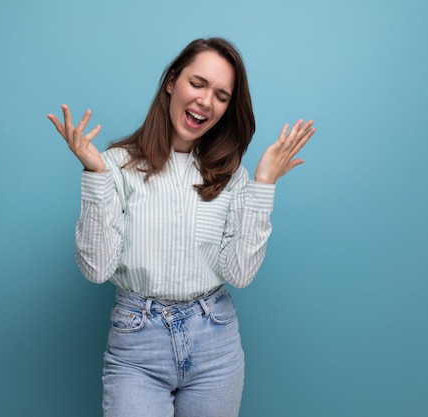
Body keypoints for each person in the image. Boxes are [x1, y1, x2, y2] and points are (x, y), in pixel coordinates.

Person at [47, 37, 315, 417]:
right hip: (137, 345)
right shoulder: (116, 165)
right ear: (172, 81)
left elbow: (239, 275)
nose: (207, 101)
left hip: (215, 342)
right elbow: (96, 270)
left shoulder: (231, 177)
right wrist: (95, 175)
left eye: (222, 96)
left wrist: (263, 184)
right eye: (198, 83)